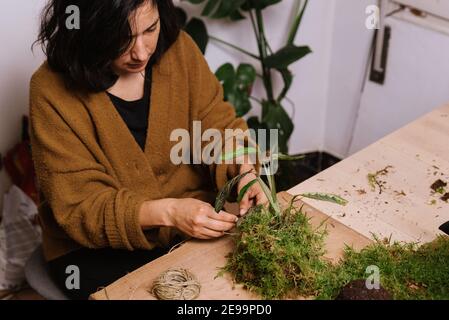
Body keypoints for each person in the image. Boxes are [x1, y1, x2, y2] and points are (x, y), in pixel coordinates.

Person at [30, 0, 267, 300]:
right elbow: (81, 207)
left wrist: (243, 172)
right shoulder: (50, 91)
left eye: (150, 28)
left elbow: (218, 127)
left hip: (189, 218)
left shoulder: (180, 50)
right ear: (88, 29)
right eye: (121, 38)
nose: (141, 52)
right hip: (94, 248)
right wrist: (168, 212)